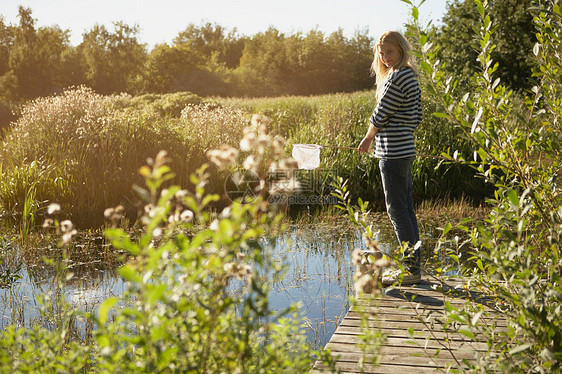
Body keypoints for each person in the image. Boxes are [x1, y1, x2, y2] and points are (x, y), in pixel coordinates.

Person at [358, 30, 422, 286]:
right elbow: (416, 117)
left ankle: (411, 271)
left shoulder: (398, 76)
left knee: (397, 210)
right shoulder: (409, 76)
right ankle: (414, 267)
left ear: (402, 50)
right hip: (404, 150)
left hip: (393, 153)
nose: (385, 58)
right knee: (405, 209)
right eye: (381, 53)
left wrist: (368, 137)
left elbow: (380, 113)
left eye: (390, 52)